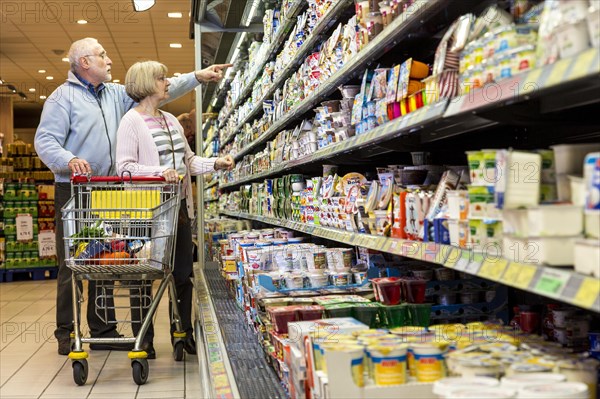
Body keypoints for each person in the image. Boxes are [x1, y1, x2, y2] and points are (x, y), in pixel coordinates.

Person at [34, 37, 231, 357]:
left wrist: (197, 76)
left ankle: (101, 328)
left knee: (102, 258)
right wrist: (69, 160)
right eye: (102, 55)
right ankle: (66, 332)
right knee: (72, 261)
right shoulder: (62, 99)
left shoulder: (115, 94)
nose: (109, 60)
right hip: (77, 188)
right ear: (85, 63)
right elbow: (45, 142)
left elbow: (158, 89)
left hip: (111, 190)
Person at [115, 60, 234, 358]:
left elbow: (188, 162)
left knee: (182, 273)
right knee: (144, 275)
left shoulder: (170, 120)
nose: (168, 82)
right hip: (145, 211)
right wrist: (158, 172)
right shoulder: (130, 121)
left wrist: (214, 163)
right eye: (162, 78)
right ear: (145, 83)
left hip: (178, 207)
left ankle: (182, 334)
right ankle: (144, 338)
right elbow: (125, 168)